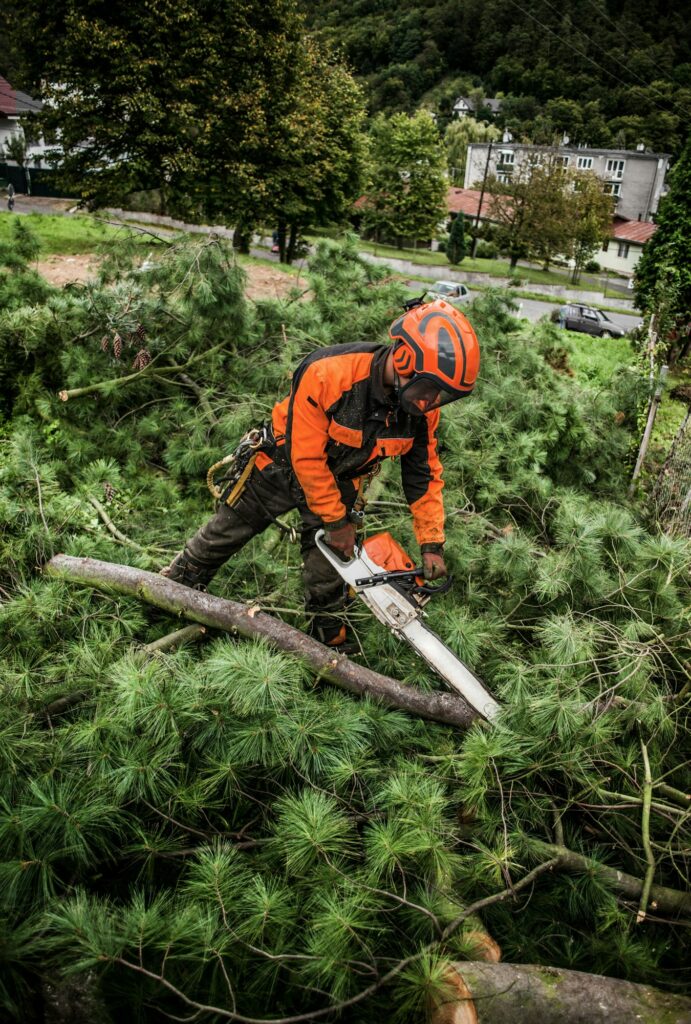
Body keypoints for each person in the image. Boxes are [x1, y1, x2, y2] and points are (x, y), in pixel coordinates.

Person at [163, 298, 480, 648]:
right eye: (430, 389)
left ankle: (329, 651)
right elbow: (307, 459)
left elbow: (424, 477)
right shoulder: (329, 374)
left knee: (328, 576)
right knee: (223, 535)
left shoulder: (421, 410)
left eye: (441, 396)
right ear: (404, 358)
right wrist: (336, 522)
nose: (431, 401)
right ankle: (169, 594)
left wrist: (432, 543)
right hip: (280, 465)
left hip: (343, 480)